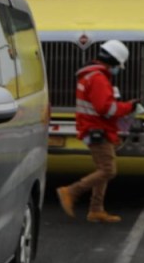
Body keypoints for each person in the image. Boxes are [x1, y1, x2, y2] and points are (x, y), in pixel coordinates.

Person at [57, 39, 138, 223]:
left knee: (102, 169)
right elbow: (106, 109)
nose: (117, 69)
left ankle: (96, 209)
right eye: (118, 65)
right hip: (97, 130)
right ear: (113, 61)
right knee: (109, 170)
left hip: (94, 128)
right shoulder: (98, 78)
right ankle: (70, 192)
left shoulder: (90, 76)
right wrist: (129, 107)